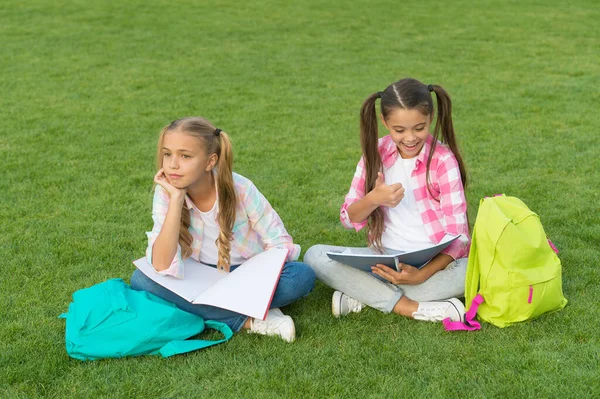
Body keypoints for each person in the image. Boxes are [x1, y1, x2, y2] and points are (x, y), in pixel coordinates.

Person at [130, 117, 315, 342]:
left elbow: (280, 242)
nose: (172, 164)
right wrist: (177, 199)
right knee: (141, 280)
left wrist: (254, 278)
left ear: (210, 162)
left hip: (246, 272)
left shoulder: (241, 188)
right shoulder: (166, 193)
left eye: (185, 156)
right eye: (168, 154)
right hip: (197, 274)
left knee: (300, 277)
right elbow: (160, 263)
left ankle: (218, 309)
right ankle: (251, 319)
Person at [304, 78, 470, 323]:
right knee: (315, 256)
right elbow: (348, 218)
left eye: (419, 128)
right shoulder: (376, 154)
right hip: (382, 260)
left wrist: (421, 274)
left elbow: (460, 237)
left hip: (432, 263)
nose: (410, 138)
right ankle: (410, 306)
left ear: (431, 118)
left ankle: (363, 294)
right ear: (385, 122)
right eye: (399, 130)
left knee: (472, 272)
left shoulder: (443, 161)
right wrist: (373, 198)